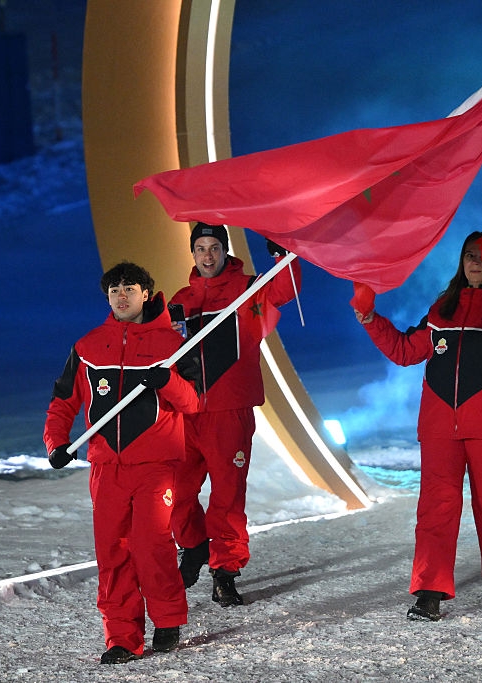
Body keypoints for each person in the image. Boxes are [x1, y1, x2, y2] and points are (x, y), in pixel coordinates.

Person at [353, 231, 482, 622]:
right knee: (435, 509)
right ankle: (429, 590)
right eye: (469, 255)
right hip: (440, 425)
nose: (474, 262)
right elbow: (407, 351)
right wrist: (372, 320)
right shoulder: (443, 307)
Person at [43, 261, 200, 664]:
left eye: (130, 288)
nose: (122, 295)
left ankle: (167, 619)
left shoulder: (172, 344)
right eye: (114, 289)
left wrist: (167, 381)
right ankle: (122, 638)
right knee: (113, 552)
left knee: (152, 546)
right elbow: (63, 403)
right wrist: (56, 444)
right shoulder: (87, 346)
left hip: (155, 464)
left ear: (146, 293)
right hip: (105, 468)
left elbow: (194, 402)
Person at [168, 222, 302, 606]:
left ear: (224, 250)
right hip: (186, 415)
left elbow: (286, 288)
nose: (207, 255)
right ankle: (193, 546)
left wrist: (281, 248)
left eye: (213, 247)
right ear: (192, 254)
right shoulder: (179, 300)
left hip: (229, 412)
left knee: (226, 498)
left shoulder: (249, 289)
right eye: (200, 248)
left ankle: (224, 571)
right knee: (175, 492)